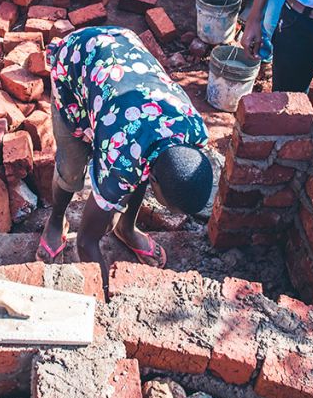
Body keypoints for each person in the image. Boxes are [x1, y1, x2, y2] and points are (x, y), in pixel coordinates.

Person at [37, 26, 213, 285]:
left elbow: (143, 169)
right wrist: (105, 290)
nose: (176, 214)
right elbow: (86, 242)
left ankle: (125, 228)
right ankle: (55, 221)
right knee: (71, 168)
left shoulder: (195, 132)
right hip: (77, 63)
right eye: (170, 207)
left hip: (121, 69)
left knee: (139, 166)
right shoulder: (121, 161)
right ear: (155, 182)